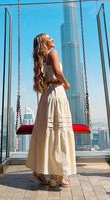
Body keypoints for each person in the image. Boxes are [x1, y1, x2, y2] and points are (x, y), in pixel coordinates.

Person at [26, 33, 76, 187]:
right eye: (49, 37)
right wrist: (66, 83)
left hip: (47, 96)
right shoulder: (52, 52)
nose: (52, 38)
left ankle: (40, 171)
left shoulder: (40, 58)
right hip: (56, 93)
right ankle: (58, 175)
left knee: (46, 132)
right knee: (58, 131)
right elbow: (57, 71)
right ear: (44, 42)